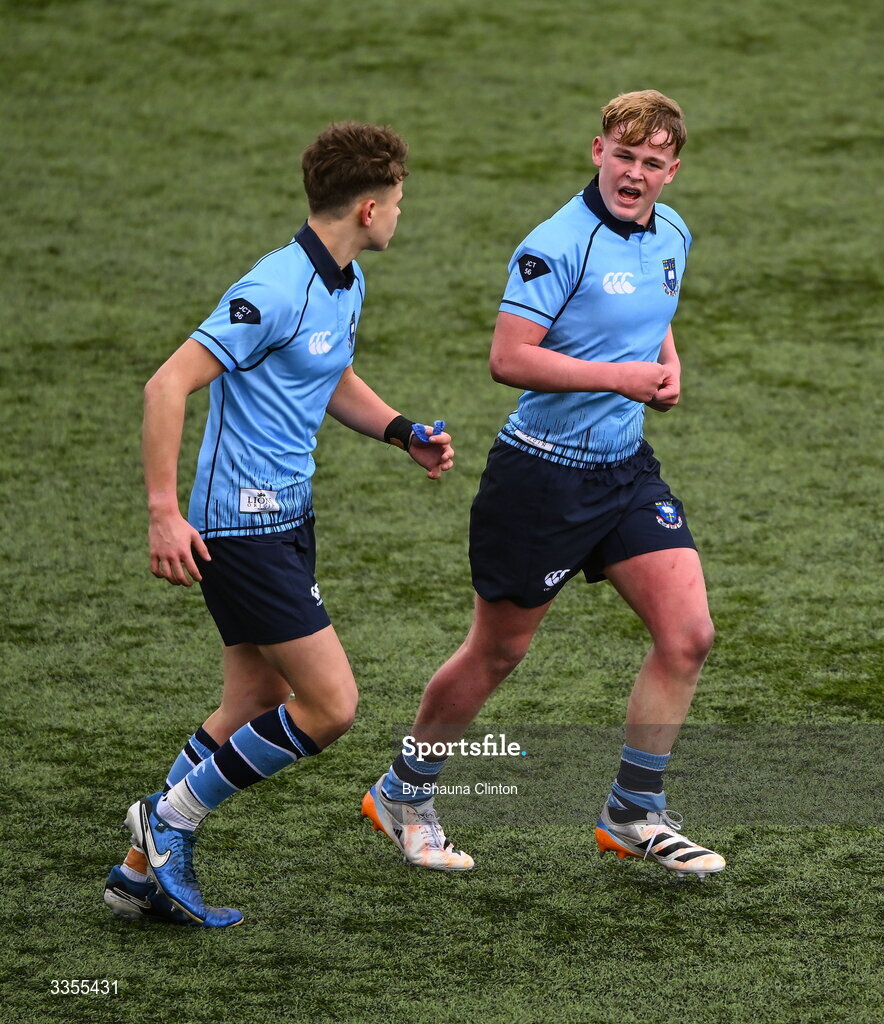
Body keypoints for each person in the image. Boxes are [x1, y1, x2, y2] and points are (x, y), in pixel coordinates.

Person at [362, 91, 725, 879]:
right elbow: (509, 358)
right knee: (497, 653)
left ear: (672, 170)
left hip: (625, 471)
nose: (635, 173)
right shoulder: (556, 244)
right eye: (623, 156)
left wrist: (667, 361)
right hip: (542, 478)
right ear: (598, 152)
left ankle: (633, 812)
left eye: (652, 162)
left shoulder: (674, 231)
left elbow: (656, 306)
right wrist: (623, 378)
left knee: (689, 635)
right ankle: (403, 792)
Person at [103, 122, 455, 927]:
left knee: (253, 696)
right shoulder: (275, 285)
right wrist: (164, 513)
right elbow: (166, 385)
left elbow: (325, 371)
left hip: (290, 519)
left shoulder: (343, 281)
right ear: (369, 208)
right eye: (399, 201)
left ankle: (135, 874)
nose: (402, 214)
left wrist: (402, 431)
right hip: (240, 529)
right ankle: (168, 823)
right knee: (330, 705)